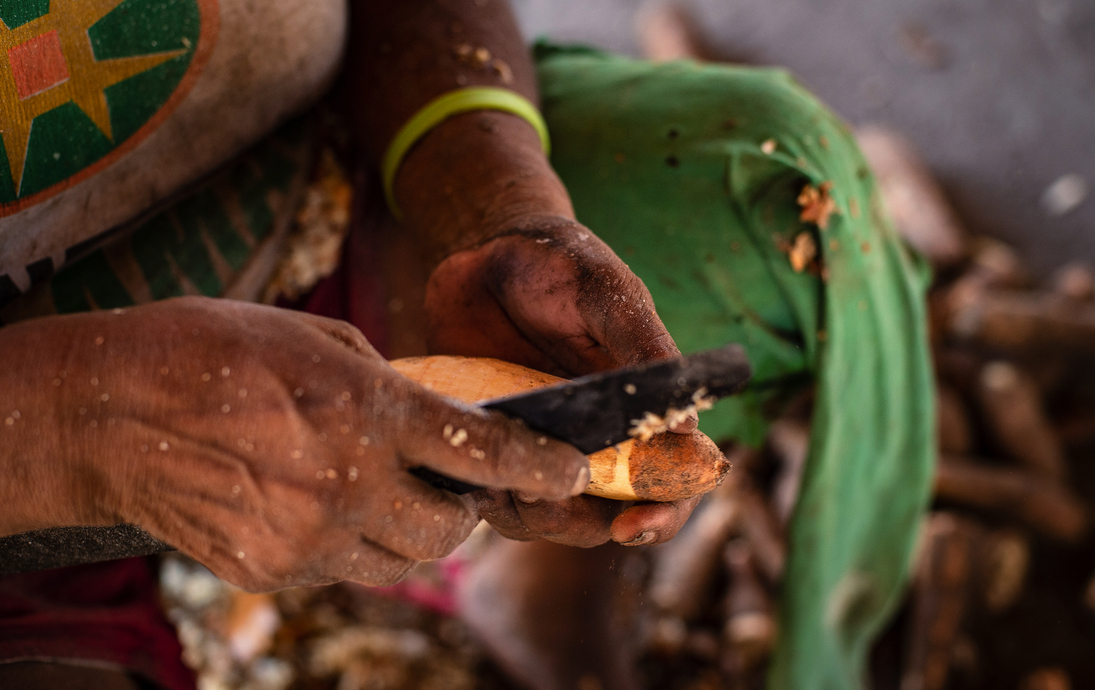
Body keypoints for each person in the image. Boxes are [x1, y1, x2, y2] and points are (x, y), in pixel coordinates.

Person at [0, 1, 935, 689]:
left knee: (768, 203)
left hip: (319, 207)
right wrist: (89, 427)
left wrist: (490, 196)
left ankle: (532, 569)